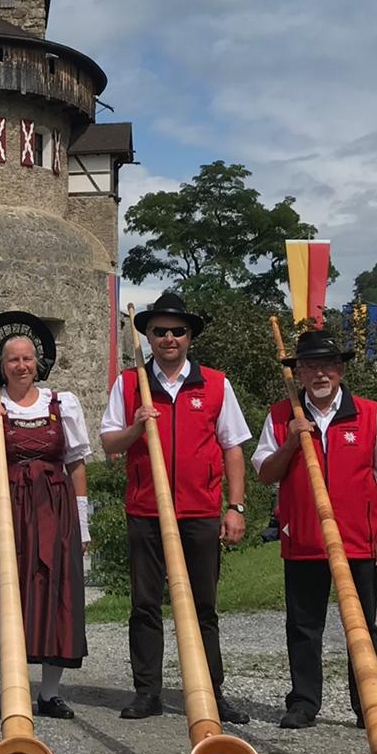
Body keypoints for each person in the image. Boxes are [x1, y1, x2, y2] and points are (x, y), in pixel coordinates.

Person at [99, 292, 253, 723]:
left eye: (177, 331)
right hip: (147, 510)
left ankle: (210, 692)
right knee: (146, 604)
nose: (169, 338)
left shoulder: (216, 383)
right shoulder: (130, 383)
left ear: (190, 337)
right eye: (160, 331)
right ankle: (146, 691)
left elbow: (233, 449)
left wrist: (235, 506)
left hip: (200, 511)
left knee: (203, 606)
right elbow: (109, 443)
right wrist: (136, 426)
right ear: (147, 336)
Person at [253, 327, 377, 730]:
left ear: (340, 370)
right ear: (298, 373)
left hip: (358, 543)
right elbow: (265, 474)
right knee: (303, 626)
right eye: (309, 366)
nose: (319, 374)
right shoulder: (280, 416)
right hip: (303, 541)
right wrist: (290, 442)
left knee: (361, 627)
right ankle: (304, 702)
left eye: (327, 365)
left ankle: (369, 707)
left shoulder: (370, 414)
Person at [0, 318, 90, 718]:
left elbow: (76, 464)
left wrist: (82, 521)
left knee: (54, 589)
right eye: (13, 359)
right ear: (2, 365)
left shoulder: (62, 403)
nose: (21, 365)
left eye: (27, 358)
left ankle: (48, 693)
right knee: (2, 588)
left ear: (39, 362)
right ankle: (14, 687)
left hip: (52, 504)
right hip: (0, 504)